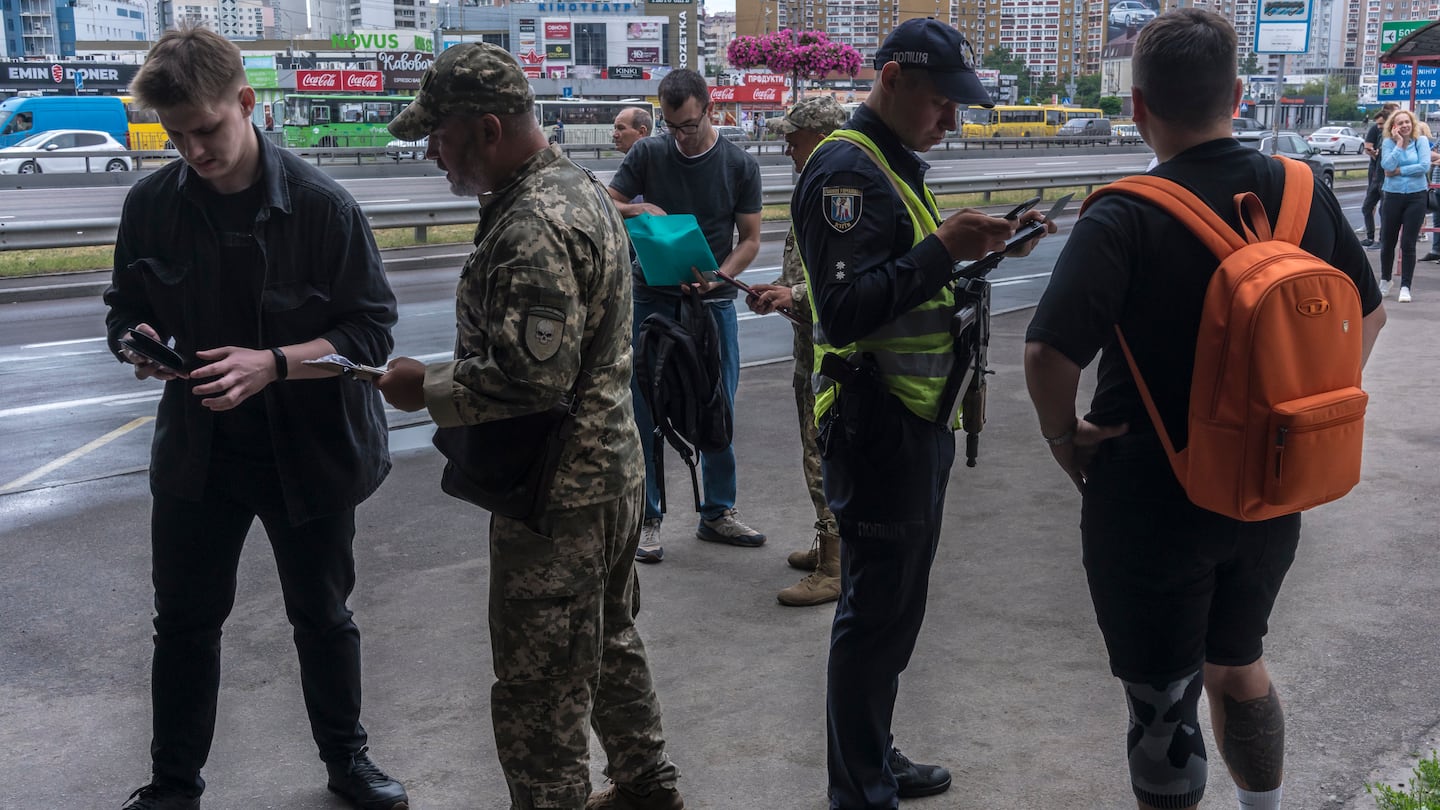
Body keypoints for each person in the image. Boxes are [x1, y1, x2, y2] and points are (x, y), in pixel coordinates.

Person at [1023, 10, 1386, 810]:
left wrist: (1063, 437)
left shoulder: (1123, 211)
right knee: (1239, 661)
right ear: (1238, 94)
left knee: (1162, 698)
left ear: (1138, 106)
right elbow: (1369, 313)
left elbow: (1048, 353)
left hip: (1154, 492)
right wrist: (1293, 413)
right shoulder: (1302, 189)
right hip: (1270, 485)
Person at [102, 26, 407, 810]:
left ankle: (348, 763)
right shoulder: (151, 207)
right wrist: (133, 344)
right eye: (176, 138)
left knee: (323, 617)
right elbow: (124, 308)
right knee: (185, 626)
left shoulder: (322, 208)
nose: (195, 152)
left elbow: (370, 334)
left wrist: (272, 364)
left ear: (248, 104)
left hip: (307, 451)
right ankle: (174, 785)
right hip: (199, 454)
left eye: (207, 130)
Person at [374, 44, 684, 810]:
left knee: (539, 687)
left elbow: (530, 377)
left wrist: (426, 386)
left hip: (559, 495)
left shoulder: (532, 225)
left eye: (439, 137)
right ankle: (646, 787)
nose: (431, 153)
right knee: (609, 642)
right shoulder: (576, 190)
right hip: (607, 474)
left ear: (485, 128)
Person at [793, 18, 1052, 808]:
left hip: (914, 422)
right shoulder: (848, 169)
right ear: (893, 80)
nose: (951, 120)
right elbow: (842, 309)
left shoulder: (893, 163)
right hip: (878, 430)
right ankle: (859, 788)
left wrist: (976, 252)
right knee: (873, 617)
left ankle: (875, 752)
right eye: (941, 103)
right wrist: (945, 247)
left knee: (897, 611)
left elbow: (908, 284)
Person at [607, 68, 767, 563]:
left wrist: (720, 276)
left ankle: (717, 512)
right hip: (652, 300)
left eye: (689, 126)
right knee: (646, 409)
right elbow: (607, 203)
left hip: (711, 304)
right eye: (671, 127)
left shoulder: (739, 165)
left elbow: (752, 240)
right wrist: (641, 209)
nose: (680, 136)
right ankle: (649, 517)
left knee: (716, 405)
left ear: (711, 111)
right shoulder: (648, 152)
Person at [745, 96, 849, 607]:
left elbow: (851, 277)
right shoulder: (818, 183)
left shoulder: (839, 190)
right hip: (812, 344)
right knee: (819, 443)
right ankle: (831, 543)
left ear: (824, 134)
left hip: (833, 354)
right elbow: (812, 271)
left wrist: (798, 297)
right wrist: (781, 291)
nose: (786, 144)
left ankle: (835, 564)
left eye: (794, 134)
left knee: (822, 446)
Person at [1378, 108, 1431, 303]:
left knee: (1408, 243)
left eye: (1407, 122)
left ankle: (1406, 286)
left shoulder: (1421, 141)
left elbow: (1424, 166)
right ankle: (1385, 280)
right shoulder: (1388, 143)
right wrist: (1399, 145)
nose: (1405, 126)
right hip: (1392, 196)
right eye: (1400, 123)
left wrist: (1399, 171)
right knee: (1387, 241)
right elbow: (1386, 166)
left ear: (1413, 124)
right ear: (1393, 127)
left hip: (1416, 196)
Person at [1359, 104, 1397, 247]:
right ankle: (1370, 237)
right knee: (1367, 207)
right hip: (1376, 176)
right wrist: (1374, 154)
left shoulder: (1392, 137)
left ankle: (1382, 240)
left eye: (1381, 124)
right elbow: (1371, 149)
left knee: (1384, 210)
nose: (1379, 127)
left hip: (1386, 178)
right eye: (1378, 124)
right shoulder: (1378, 134)